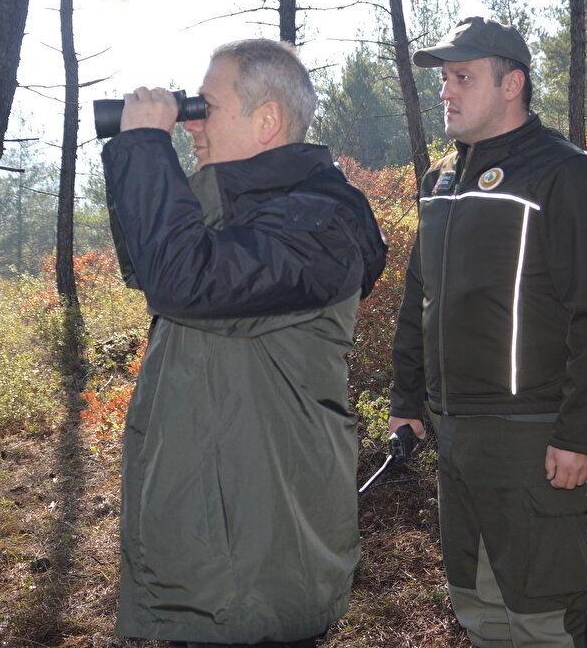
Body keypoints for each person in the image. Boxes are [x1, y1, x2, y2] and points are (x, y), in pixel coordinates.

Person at [102, 38, 387, 648]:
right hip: (211, 553)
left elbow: (184, 280)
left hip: (260, 561)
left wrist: (146, 147)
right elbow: (150, 266)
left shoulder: (317, 225)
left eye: (205, 108)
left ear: (267, 121)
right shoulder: (241, 218)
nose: (191, 124)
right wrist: (138, 154)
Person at [389, 16, 587, 648]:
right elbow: (418, 298)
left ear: (512, 84)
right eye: (444, 79)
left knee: (545, 616)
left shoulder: (566, 175)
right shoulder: (440, 181)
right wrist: (406, 401)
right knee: (478, 606)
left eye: (462, 77)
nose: (446, 91)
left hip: (532, 436)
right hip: (453, 432)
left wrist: (578, 433)